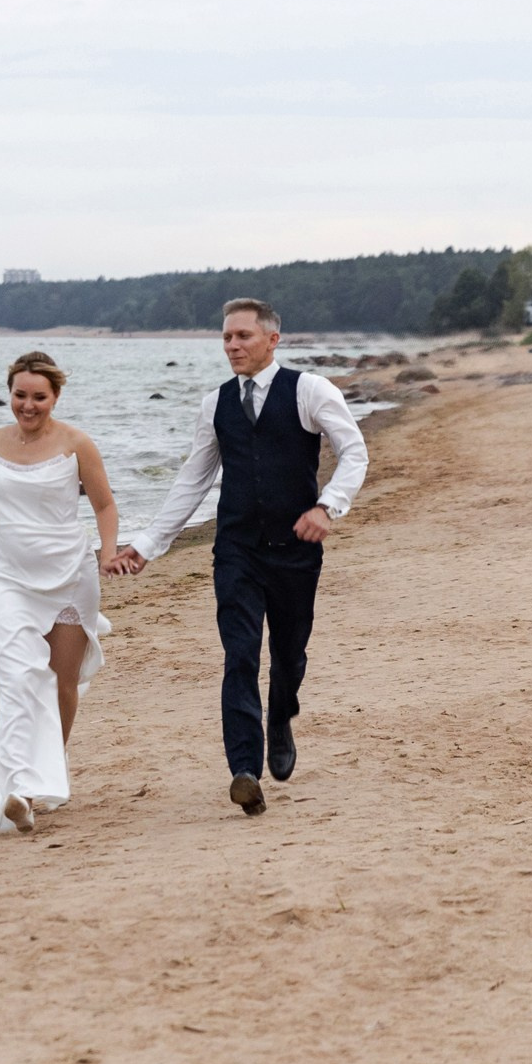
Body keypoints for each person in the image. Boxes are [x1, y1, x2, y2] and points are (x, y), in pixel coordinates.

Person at [115, 298, 367, 816]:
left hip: (297, 549)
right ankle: (244, 770)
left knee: (290, 656)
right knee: (241, 654)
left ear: (273, 340)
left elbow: (355, 451)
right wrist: (146, 544)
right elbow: (194, 479)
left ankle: (281, 715)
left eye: (243, 336)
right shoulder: (216, 403)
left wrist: (327, 507)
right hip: (237, 551)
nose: (232, 345)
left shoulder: (310, 390)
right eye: (227, 337)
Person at [0, 350, 120, 834]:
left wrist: (107, 552)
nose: (28, 405)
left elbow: (104, 505)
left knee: (61, 682)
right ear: (10, 393)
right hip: (8, 576)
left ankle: (45, 772)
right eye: (20, 395)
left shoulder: (77, 443)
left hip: (68, 576)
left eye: (39, 396)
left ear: (55, 397)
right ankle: (18, 788)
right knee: (17, 677)